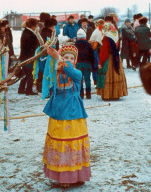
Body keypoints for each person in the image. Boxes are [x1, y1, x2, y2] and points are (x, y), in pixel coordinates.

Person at [43, 45, 91, 188]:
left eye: (71, 58)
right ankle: (63, 177)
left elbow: (70, 71)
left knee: (73, 142)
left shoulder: (77, 73)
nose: (68, 61)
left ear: (75, 61)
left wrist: (59, 58)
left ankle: (78, 175)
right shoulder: (55, 74)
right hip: (58, 114)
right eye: (66, 58)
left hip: (73, 113)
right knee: (61, 143)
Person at [97, 23, 128, 100]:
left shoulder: (106, 37)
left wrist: (101, 62)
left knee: (107, 76)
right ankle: (116, 94)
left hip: (109, 59)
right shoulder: (116, 35)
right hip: (116, 58)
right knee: (116, 74)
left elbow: (104, 51)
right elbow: (119, 48)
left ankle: (108, 95)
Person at [18, 18, 39, 95]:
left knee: (25, 73)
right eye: (35, 25)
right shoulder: (29, 34)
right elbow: (31, 46)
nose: (36, 27)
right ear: (32, 26)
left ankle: (21, 89)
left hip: (25, 56)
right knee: (29, 73)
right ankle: (29, 90)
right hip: (28, 57)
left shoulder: (26, 32)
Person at [75, 29, 95, 99]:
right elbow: (92, 55)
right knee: (87, 79)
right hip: (87, 63)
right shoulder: (88, 44)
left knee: (80, 79)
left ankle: (81, 94)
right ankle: (88, 94)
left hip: (79, 64)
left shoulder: (75, 44)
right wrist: (92, 64)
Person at [89, 19, 105, 86]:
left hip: (97, 49)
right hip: (96, 49)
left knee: (97, 66)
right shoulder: (98, 31)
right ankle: (97, 81)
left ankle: (97, 81)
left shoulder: (99, 31)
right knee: (96, 66)